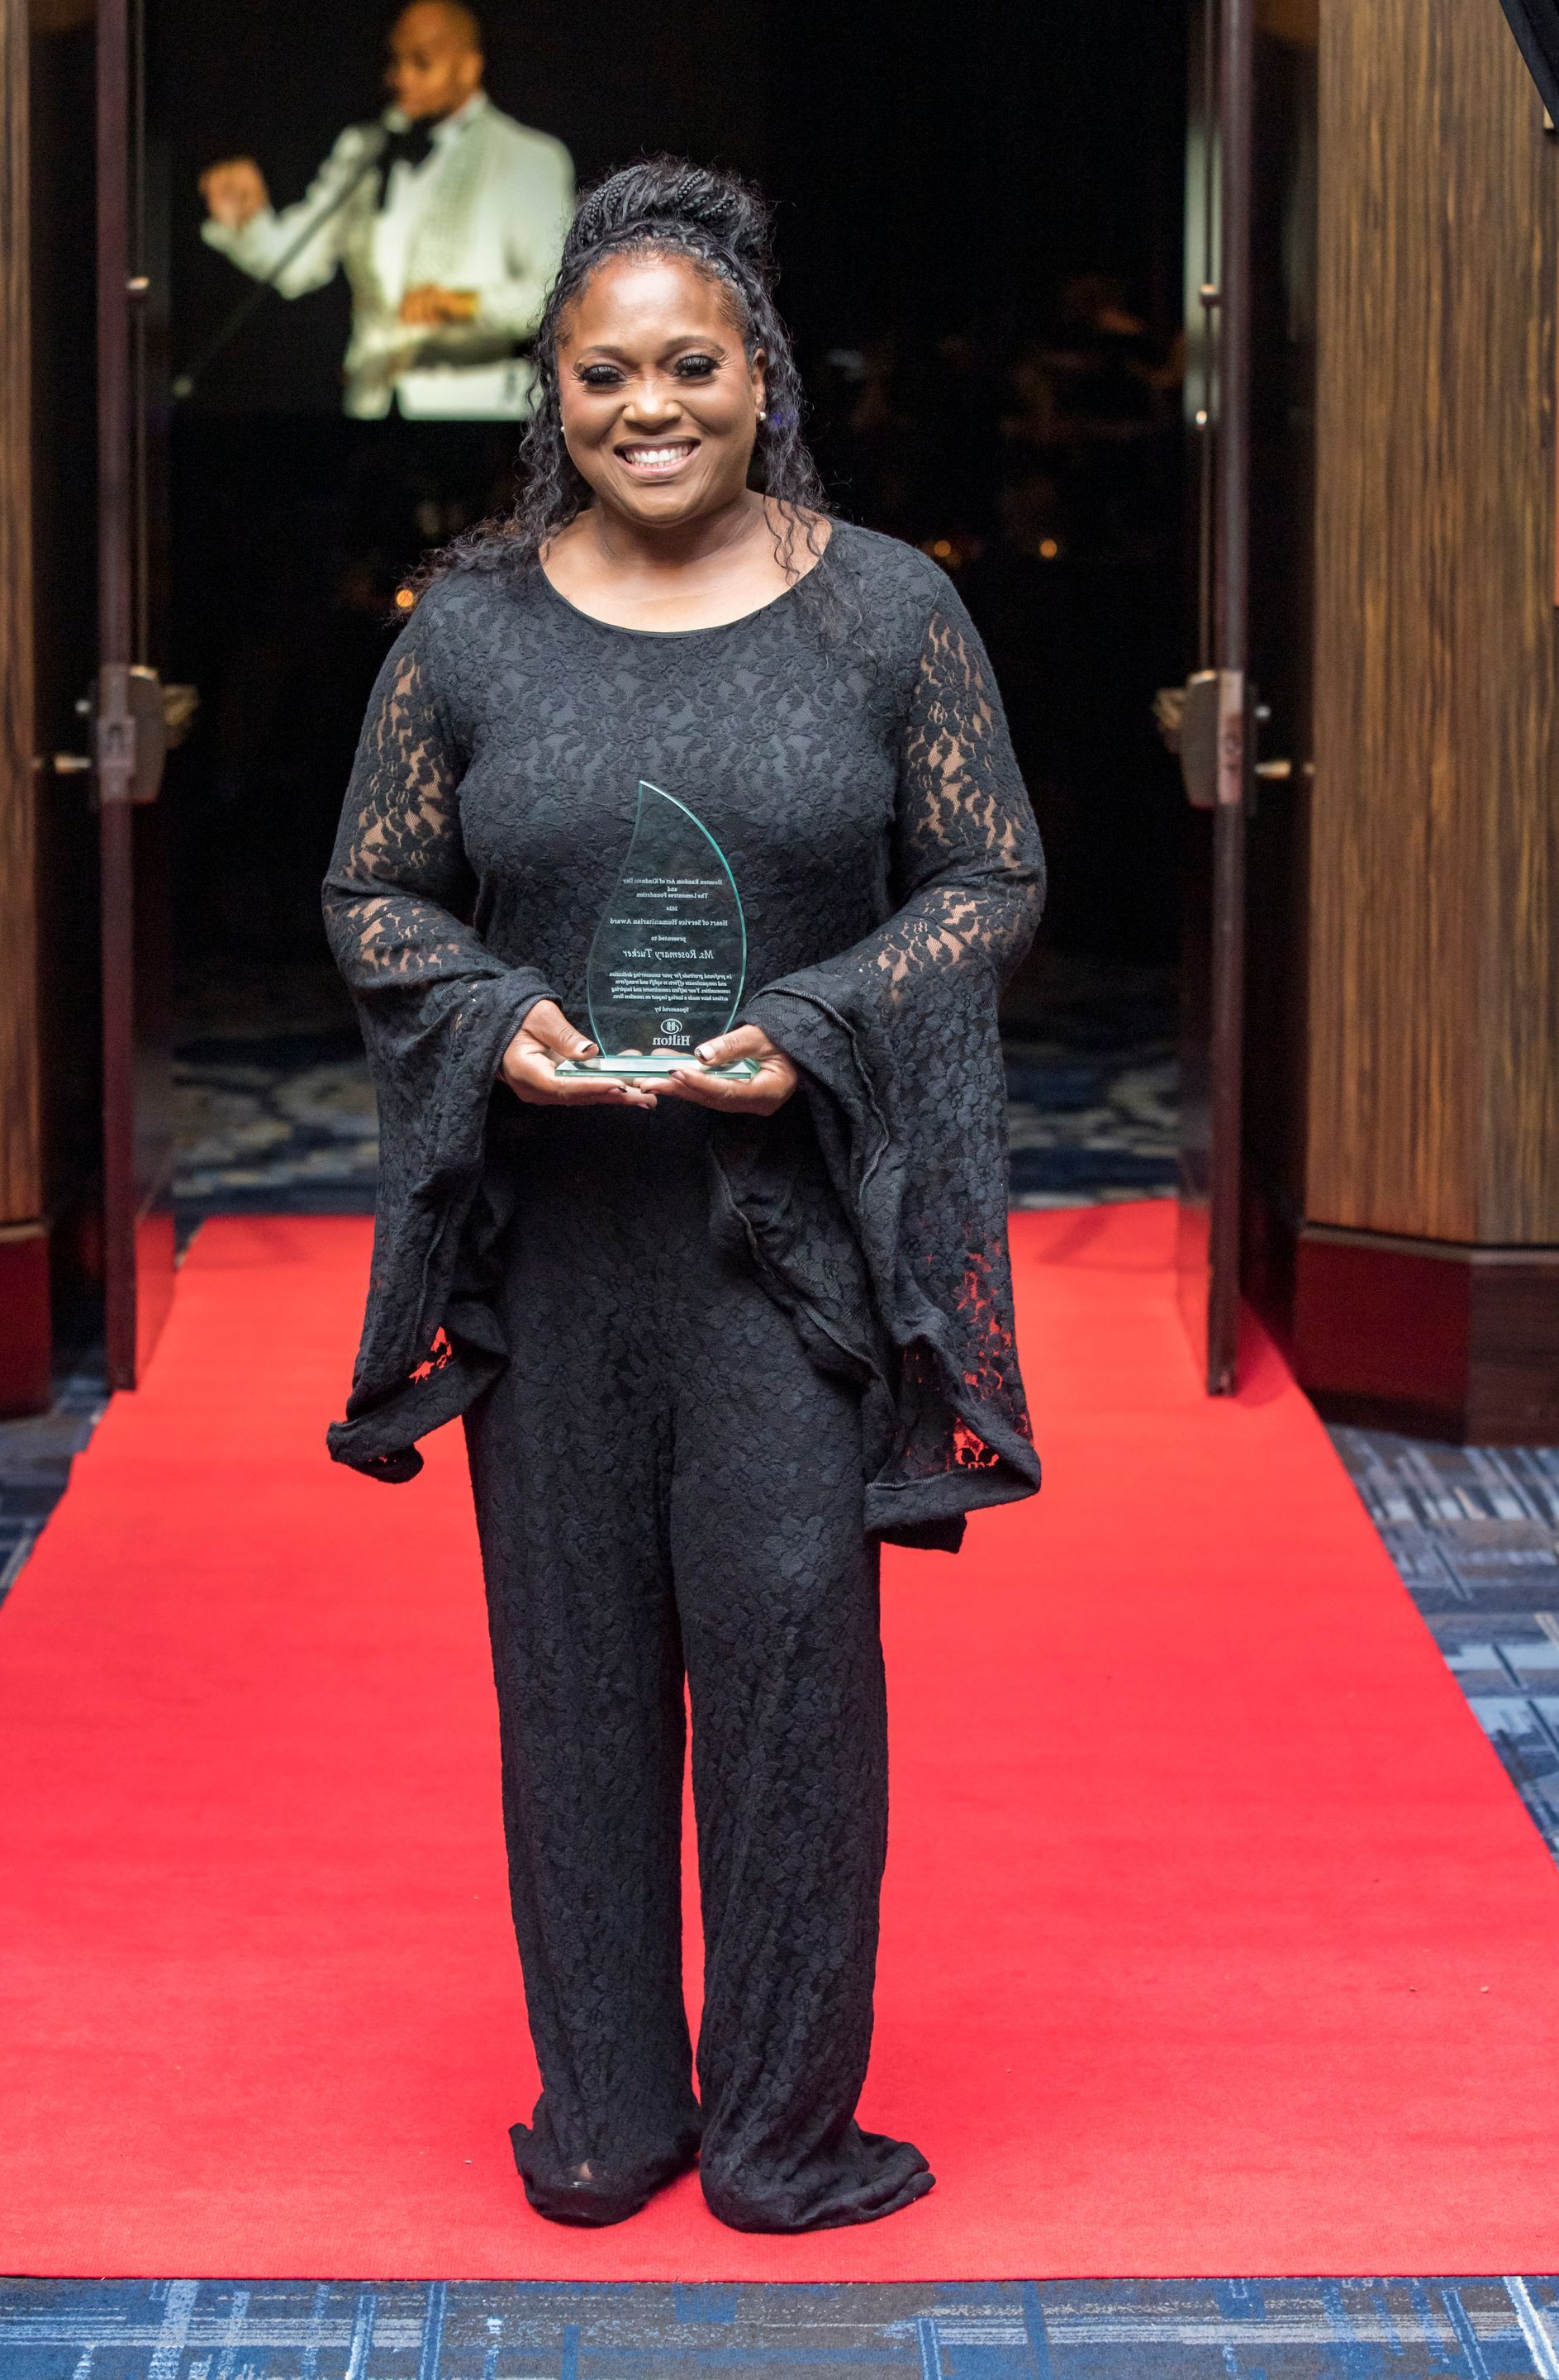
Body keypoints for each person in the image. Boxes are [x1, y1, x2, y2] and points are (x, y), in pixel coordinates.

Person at [322, 158, 1044, 2233]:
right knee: (568, 1678)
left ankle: (784, 2133)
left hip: (786, 1250)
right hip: (555, 1249)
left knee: (793, 1664)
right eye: (607, 370)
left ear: (764, 379)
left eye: (692, 365)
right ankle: (612, 2112)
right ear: (552, 387)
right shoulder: (462, 629)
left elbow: (994, 877)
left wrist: (821, 1012)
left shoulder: (891, 604)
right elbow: (372, 887)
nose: (652, 404)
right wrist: (486, 1006)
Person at [199, 2, 573, 419]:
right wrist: (247, 222)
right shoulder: (363, 147)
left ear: (469, 68)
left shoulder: (529, 158)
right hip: (370, 402)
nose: (401, 78)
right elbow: (298, 264)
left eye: (422, 63)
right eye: (395, 61)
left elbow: (553, 298)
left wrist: (464, 304)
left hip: (477, 407)